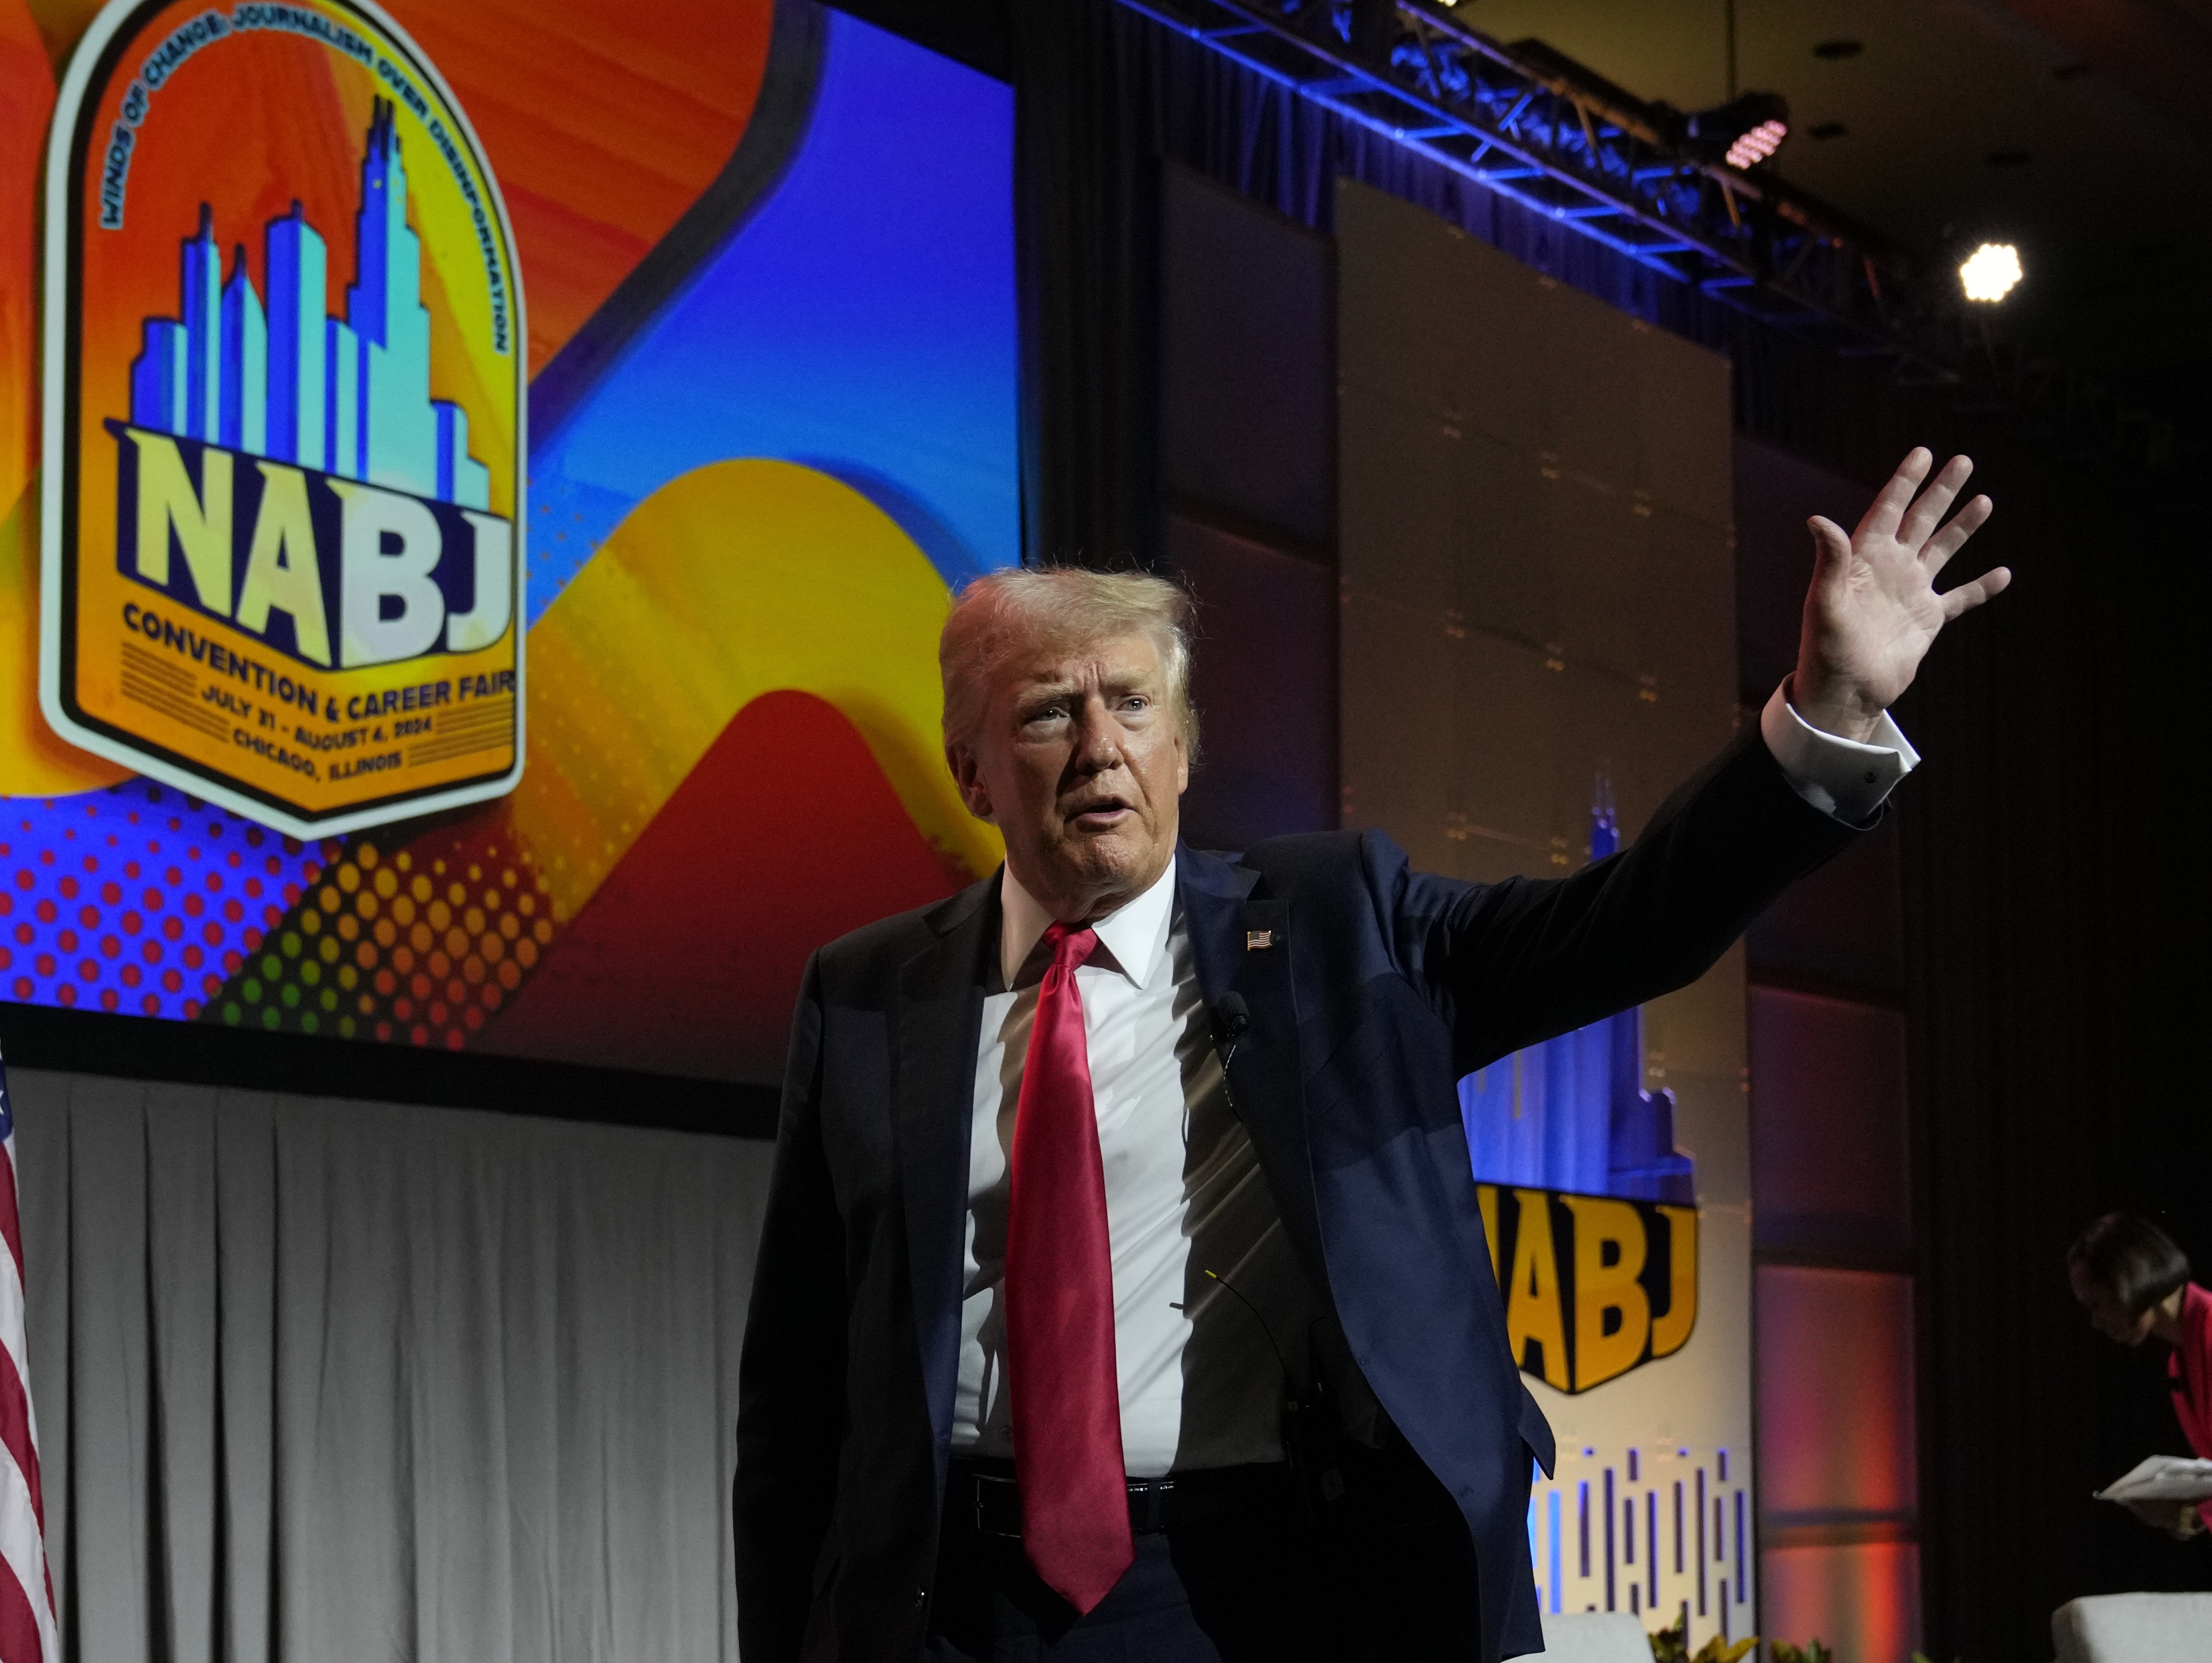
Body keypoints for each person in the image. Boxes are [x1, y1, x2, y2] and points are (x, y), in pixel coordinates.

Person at [735, 447, 2008, 1663]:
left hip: (1245, 1589)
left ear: (1183, 750)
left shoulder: (1338, 923)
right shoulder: (865, 992)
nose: (1100, 747)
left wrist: (1829, 713)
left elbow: (1631, 925)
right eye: (1048, 713)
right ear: (971, 771)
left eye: (1132, 703)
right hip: (945, 1600)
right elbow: (795, 1388)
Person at [2069, 1212, 2212, 1540]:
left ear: (2130, 1280)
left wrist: (2188, 1515)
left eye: (2096, 1304)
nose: (2097, 1322)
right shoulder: (2180, 1358)